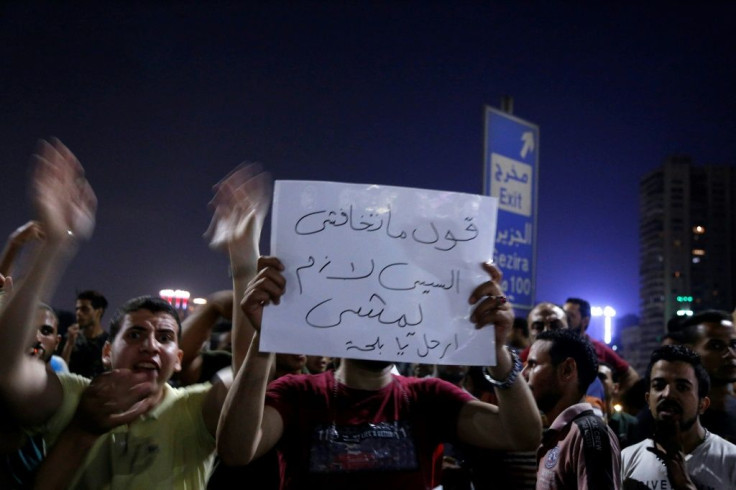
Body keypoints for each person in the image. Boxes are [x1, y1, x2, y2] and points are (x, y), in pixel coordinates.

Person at [0, 139, 257, 489]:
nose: (151, 345)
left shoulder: (195, 410)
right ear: (107, 351)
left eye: (165, 338)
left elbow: (248, 377)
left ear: (178, 359)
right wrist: (53, 245)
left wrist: (244, 266)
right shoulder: (73, 397)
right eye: (135, 334)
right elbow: (7, 366)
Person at [217, 256, 542, 489]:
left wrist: (497, 352)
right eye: (366, 308)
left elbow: (523, 435)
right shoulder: (298, 393)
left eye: (391, 308)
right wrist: (265, 340)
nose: (379, 316)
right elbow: (235, 451)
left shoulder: (428, 397)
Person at [621, 344, 736, 489]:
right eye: (659, 385)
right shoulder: (627, 459)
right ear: (648, 400)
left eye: (682, 387)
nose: (667, 394)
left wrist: (685, 485)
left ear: (703, 404)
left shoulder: (730, 460)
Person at [522, 328, 621, 489]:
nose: (523, 374)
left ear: (567, 370)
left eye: (533, 365)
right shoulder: (562, 433)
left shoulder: (588, 432)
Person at [674, 309, 736, 444]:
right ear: (689, 351)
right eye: (716, 346)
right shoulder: (673, 418)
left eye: (734, 345)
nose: (730, 354)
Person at [564, 297, 640, 395]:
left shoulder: (599, 348)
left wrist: (617, 397)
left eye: (570, 316)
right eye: (563, 315)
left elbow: (631, 375)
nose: (565, 320)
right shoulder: (555, 346)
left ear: (585, 321)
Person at [61, 289, 110, 378]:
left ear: (99, 312)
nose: (78, 313)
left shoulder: (109, 342)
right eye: (77, 309)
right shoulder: (70, 338)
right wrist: (69, 344)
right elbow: (61, 371)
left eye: (85, 309)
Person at [598, 362, 638, 449]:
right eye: (592, 378)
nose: (595, 382)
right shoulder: (581, 424)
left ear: (615, 388)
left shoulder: (630, 424)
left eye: (601, 377)